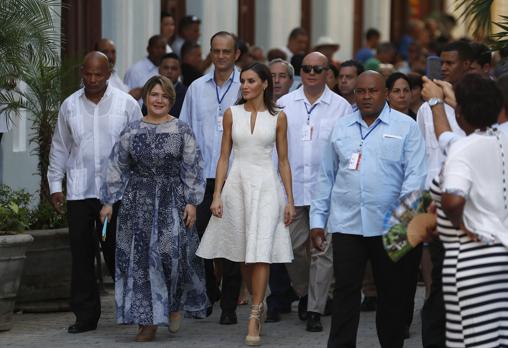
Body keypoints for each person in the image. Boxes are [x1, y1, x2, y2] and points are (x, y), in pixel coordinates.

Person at [310, 71, 426, 347]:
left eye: (372, 91)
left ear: (385, 92)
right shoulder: (342, 127)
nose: (365, 96)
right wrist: (317, 220)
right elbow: (326, 175)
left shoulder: (406, 126)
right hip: (347, 223)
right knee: (346, 293)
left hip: (390, 226)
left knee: (391, 295)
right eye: (360, 91)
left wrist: (402, 224)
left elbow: (416, 176)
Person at [99, 75, 207, 342]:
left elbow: (192, 166)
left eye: (164, 96)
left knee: (171, 256)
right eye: (154, 95)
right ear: (145, 98)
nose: (159, 100)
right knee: (141, 262)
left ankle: (173, 304)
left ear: (171, 100)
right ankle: (147, 321)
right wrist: (109, 202)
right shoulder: (132, 130)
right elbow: (116, 165)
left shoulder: (182, 130)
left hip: (173, 201)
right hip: (138, 202)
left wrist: (192, 201)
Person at [196, 62, 295, 346]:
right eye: (243, 81)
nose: (245, 86)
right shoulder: (231, 114)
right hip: (236, 185)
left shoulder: (279, 117)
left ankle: (254, 314)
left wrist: (290, 200)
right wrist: (216, 194)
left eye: (251, 81)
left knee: (261, 251)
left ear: (265, 84)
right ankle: (256, 298)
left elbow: (284, 160)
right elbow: (224, 156)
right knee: (242, 253)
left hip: (266, 186)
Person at [47, 52, 142, 334]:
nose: (92, 80)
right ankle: (85, 317)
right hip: (80, 191)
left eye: (98, 74)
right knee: (82, 254)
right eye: (87, 74)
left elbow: (137, 148)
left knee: (118, 252)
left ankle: (132, 309)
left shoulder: (126, 104)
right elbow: (60, 147)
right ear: (82, 72)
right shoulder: (70, 106)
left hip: (117, 193)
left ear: (109, 72)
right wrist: (55, 186)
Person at [278, 52, 352, 332]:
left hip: (327, 192)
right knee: (293, 249)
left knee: (322, 251)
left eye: (317, 69)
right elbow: (276, 150)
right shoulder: (284, 104)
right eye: (306, 68)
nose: (311, 73)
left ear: (327, 73)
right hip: (293, 190)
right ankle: (307, 293)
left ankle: (314, 310)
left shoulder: (342, 107)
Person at [436, 74, 508, 347]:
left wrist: (460, 225)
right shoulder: (502, 141)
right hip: (502, 254)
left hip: (472, 259)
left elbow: (453, 199)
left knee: (472, 339)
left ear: (460, 113)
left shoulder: (464, 148)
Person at [179, 31, 242, 325]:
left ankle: (229, 305)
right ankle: (208, 291)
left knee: (230, 241)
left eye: (226, 51)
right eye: (216, 51)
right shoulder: (196, 88)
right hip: (201, 178)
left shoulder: (247, 85)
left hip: (233, 177)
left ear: (236, 55)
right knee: (197, 239)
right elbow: (186, 132)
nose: (220, 57)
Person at [265, 58, 298, 323]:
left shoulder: (296, 107)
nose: (277, 81)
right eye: (272, 76)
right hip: (266, 181)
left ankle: (296, 293)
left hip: (295, 181)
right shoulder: (261, 107)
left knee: (297, 245)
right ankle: (276, 298)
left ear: (291, 79)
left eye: (282, 76)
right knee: (272, 240)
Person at [141, 53, 187, 118]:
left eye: (174, 68)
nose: (169, 71)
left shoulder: (186, 93)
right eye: (166, 68)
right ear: (159, 69)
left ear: (180, 71)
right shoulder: (150, 90)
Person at [124, 35, 166, 102]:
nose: (160, 51)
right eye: (157, 48)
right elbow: (128, 97)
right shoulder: (135, 71)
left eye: (163, 48)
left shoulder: (166, 69)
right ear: (148, 49)